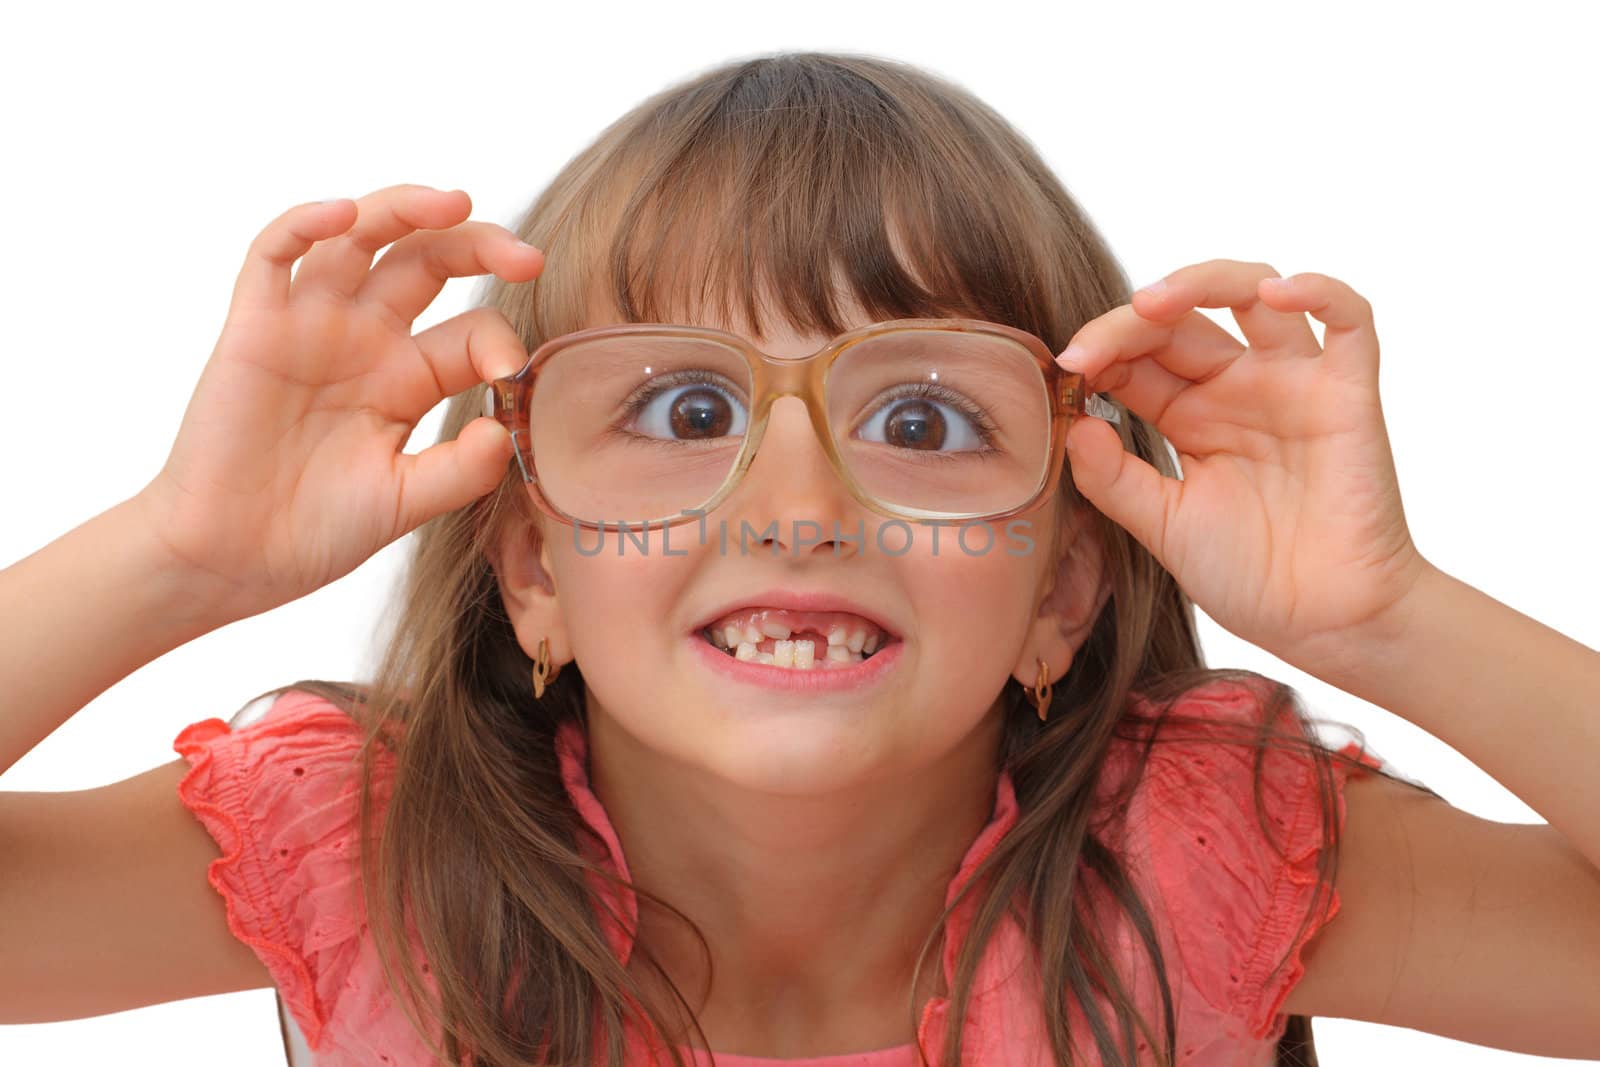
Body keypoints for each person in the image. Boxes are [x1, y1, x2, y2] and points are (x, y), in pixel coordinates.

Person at [3, 51, 1598, 1067]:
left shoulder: (1183, 866)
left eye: (919, 418)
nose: (799, 504)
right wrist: (181, 553)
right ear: (534, 564)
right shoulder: (382, 866)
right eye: (684, 405)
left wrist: (1386, 617)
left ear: (1064, 585)